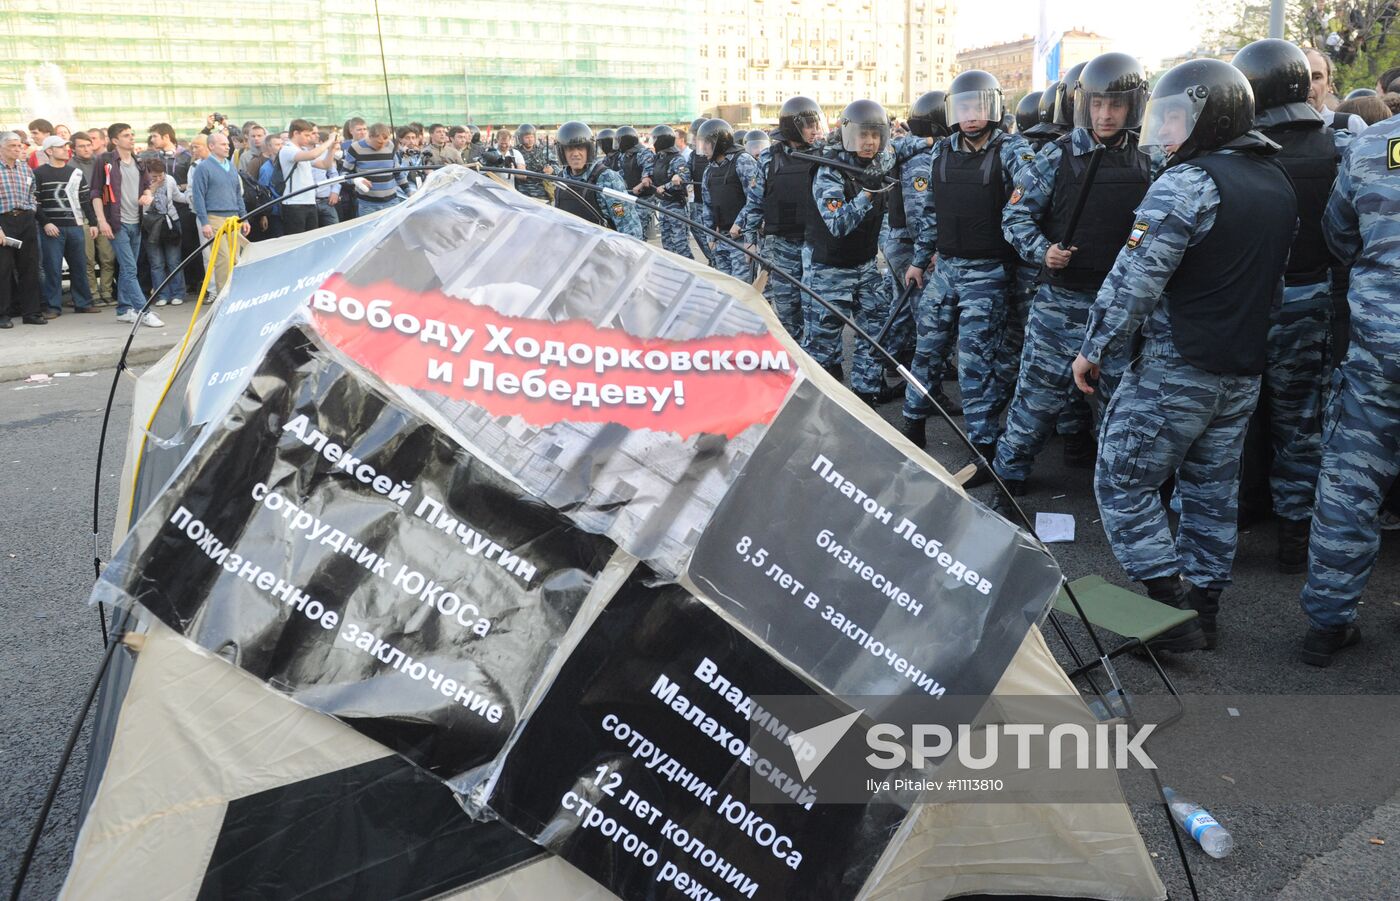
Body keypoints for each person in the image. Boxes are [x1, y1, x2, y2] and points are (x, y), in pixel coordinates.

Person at [1071, 59, 1298, 652]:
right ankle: (1204, 608)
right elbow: (1273, 288)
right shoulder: (1277, 181)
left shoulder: (1186, 183)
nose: (1166, 130)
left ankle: (1170, 610)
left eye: (1176, 117)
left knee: (1121, 480)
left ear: (1210, 118)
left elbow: (1134, 281)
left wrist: (1093, 348)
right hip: (1239, 371)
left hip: (1179, 369)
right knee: (1210, 492)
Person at [983, 52, 1153, 497]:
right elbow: (1014, 217)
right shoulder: (1057, 157)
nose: (1105, 114)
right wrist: (1044, 252)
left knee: (1121, 406)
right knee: (1036, 401)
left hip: (1121, 308)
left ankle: (1118, 493)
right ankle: (1010, 475)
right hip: (1062, 303)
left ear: (1132, 105)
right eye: (1097, 104)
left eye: (1115, 105)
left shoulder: (1150, 160)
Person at [1293, 94, 1400, 664]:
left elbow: (1338, 235)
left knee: (1351, 485)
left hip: (1379, 348)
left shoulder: (1368, 147)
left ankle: (1328, 624)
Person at [1233, 39, 1345, 573]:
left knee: (1235, 419)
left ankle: (1236, 516)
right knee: (1300, 421)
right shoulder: (1337, 146)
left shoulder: (1236, 151)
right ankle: (1294, 534)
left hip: (1246, 306)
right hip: (1310, 300)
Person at [900, 70, 1035, 456]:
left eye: (978, 106)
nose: (971, 115)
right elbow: (931, 212)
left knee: (975, 365)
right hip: (945, 271)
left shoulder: (1011, 150)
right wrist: (919, 260)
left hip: (988, 273)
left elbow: (1035, 195)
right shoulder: (942, 151)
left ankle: (982, 446)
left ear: (993, 107)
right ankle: (911, 424)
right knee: (927, 351)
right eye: (964, 107)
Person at [806, 99, 932, 403]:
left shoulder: (878, 160)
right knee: (823, 342)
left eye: (875, 135)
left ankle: (867, 391)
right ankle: (821, 400)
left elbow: (901, 149)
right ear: (849, 135)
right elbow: (838, 224)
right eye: (863, 135)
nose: (869, 142)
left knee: (874, 333)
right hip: (830, 270)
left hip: (864, 266)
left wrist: (930, 139)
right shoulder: (829, 172)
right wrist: (867, 192)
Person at [739, 96, 825, 340]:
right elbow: (755, 202)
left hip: (815, 245)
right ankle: (794, 357)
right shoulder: (769, 158)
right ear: (792, 126)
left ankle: (824, 364)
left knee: (816, 310)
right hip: (781, 247)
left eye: (815, 124)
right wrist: (749, 240)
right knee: (787, 310)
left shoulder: (824, 154)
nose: (814, 130)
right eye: (809, 125)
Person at [90, 122, 163, 327]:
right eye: (125, 135)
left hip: (136, 222)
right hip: (116, 223)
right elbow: (95, 193)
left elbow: (148, 186)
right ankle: (143, 310)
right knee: (130, 269)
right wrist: (102, 221)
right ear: (115, 140)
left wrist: (147, 196)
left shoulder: (138, 161)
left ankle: (124, 310)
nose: (131, 138)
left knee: (126, 269)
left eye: (132, 134)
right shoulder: (105, 161)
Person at [35, 134, 99, 316]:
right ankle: (53, 307)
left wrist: (93, 222)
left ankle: (83, 303)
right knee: (52, 268)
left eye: (66, 146)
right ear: (49, 151)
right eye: (61, 147)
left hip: (76, 226)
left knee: (80, 265)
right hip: (52, 228)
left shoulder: (75, 173)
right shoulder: (39, 173)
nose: (66, 150)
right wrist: (45, 223)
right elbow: (35, 201)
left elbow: (85, 200)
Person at [551, 121, 643, 238]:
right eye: (570, 149)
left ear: (588, 150)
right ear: (562, 152)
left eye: (580, 148)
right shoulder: (561, 180)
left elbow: (629, 227)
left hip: (603, 250)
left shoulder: (607, 179)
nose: (575, 154)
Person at [189, 131, 250, 295]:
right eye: (223, 144)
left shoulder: (231, 166)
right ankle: (223, 296)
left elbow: (237, 193)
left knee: (235, 258)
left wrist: (244, 218)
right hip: (214, 217)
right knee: (223, 258)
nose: (227, 146)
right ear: (211, 146)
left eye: (227, 144)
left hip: (233, 218)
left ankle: (235, 292)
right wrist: (204, 222)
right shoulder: (203, 167)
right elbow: (198, 196)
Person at [698, 118, 759, 281]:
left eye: (707, 143)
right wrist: (710, 237)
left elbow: (755, 199)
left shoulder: (743, 161)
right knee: (726, 290)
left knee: (743, 289)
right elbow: (707, 205)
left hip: (742, 240)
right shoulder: (709, 170)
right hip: (721, 239)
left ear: (719, 143)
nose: (703, 147)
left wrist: (740, 223)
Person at [0, 131, 44, 328]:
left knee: (30, 267)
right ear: (1, 147)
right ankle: (3, 314)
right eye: (12, 146)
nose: (17, 149)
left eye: (19, 146)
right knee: (4, 270)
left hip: (25, 220)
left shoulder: (25, 168)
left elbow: (32, 192)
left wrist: (32, 209)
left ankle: (31, 313)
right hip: (4, 221)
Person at [70, 131, 115, 305]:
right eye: (82, 146)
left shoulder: (100, 162)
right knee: (87, 258)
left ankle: (107, 291)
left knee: (107, 256)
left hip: (102, 214)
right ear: (73, 148)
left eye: (89, 145)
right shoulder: (70, 166)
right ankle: (93, 294)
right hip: (82, 217)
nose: (86, 149)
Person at [138, 158, 187, 306]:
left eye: (161, 175)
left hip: (170, 222)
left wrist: (191, 197)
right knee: (157, 263)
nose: (159, 178)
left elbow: (177, 196)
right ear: (148, 174)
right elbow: (143, 206)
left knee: (174, 261)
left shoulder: (170, 180)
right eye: (154, 176)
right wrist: (151, 189)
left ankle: (178, 292)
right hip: (151, 224)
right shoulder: (142, 183)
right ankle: (161, 294)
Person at [276, 119, 338, 236]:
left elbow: (325, 165)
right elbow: (313, 155)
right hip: (294, 204)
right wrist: (329, 141)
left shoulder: (303, 150)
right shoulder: (287, 149)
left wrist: (331, 149)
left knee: (311, 239)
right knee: (297, 242)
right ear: (295, 133)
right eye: (306, 135)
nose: (309, 138)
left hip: (310, 202)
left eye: (310, 135)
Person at [343, 123, 408, 215]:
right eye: (379, 142)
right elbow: (343, 174)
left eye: (385, 141)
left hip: (392, 202)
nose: (382, 145)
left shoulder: (390, 146)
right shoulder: (355, 148)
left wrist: (409, 191)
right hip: (367, 205)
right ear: (370, 136)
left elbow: (398, 173)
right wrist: (355, 180)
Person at [648, 125, 691, 257]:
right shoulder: (659, 158)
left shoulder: (677, 159)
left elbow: (685, 176)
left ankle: (690, 270)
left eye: (655, 139)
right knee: (666, 243)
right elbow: (650, 170)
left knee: (680, 244)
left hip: (676, 205)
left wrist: (666, 186)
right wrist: (646, 178)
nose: (653, 142)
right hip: (664, 205)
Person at [1302, 48, 1367, 134]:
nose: (1309, 86)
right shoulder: (1278, 127)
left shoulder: (1351, 125)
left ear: (1329, 83)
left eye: (1316, 77)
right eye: (1301, 77)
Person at [687, 117, 715, 265]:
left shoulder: (719, 154)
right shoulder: (693, 156)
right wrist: (679, 176)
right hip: (699, 203)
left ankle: (717, 259)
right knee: (697, 228)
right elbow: (686, 171)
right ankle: (712, 258)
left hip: (716, 204)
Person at [515, 124, 551, 201]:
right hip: (522, 194)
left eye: (531, 137)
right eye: (527, 137)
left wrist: (551, 169)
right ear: (521, 138)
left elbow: (557, 166)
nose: (530, 139)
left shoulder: (542, 150)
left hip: (541, 194)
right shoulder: (515, 152)